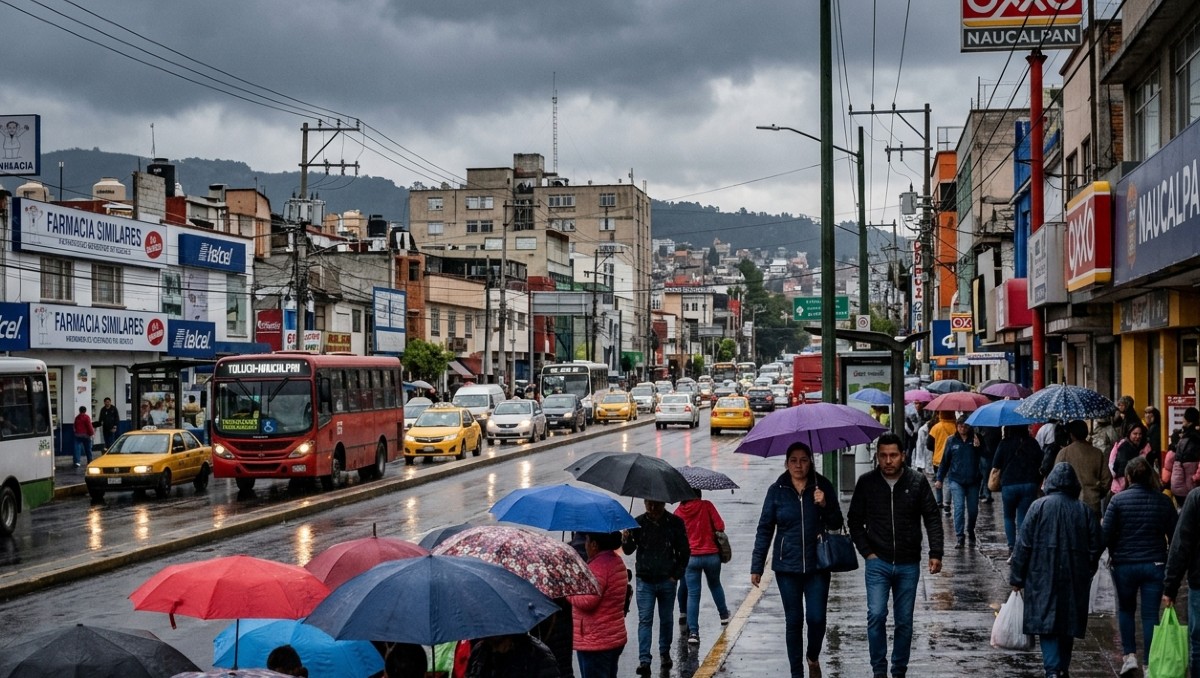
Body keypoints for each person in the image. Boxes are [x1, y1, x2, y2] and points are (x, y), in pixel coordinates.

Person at [848, 432, 944, 678]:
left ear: (903, 456)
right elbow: (854, 520)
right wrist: (866, 552)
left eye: (893, 455)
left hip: (908, 562)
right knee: (876, 615)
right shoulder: (867, 483)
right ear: (877, 457)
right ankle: (879, 670)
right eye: (883, 456)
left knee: (904, 621)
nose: (888, 461)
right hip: (877, 562)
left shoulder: (917, 481)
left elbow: (932, 516)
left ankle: (898, 670)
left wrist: (936, 552)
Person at [750, 442, 844, 678]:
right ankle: (796, 673)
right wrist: (757, 566)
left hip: (818, 565)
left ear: (811, 461)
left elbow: (836, 523)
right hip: (786, 566)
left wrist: (824, 504)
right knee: (794, 621)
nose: (799, 465)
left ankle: (813, 656)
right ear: (786, 462)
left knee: (816, 618)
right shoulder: (777, 490)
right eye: (794, 460)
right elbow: (764, 528)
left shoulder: (822, 486)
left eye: (804, 460)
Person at [1010, 462, 1104, 678]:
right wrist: (1087, 567)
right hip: (1074, 575)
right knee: (1067, 623)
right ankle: (1062, 667)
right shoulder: (1084, 511)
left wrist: (1017, 577)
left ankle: (1053, 670)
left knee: (1047, 623)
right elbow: (1096, 544)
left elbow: (1023, 545)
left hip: (1041, 575)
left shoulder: (1038, 507)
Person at [1102, 456, 1177, 675]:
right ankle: (1149, 663)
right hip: (1155, 564)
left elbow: (1105, 535)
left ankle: (1129, 656)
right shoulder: (1163, 501)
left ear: (1128, 476)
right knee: (1150, 614)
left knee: (1125, 609)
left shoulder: (1117, 501)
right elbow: (1175, 536)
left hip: (1124, 564)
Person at [622, 500, 689, 675]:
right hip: (645, 580)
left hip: (667, 579)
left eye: (656, 505)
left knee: (666, 619)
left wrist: (676, 575)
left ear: (663, 504)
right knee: (645, 620)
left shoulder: (675, 523)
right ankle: (644, 660)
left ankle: (664, 653)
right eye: (648, 504)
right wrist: (626, 538)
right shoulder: (637, 523)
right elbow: (628, 550)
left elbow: (684, 551)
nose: (652, 508)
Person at [674, 489, 730, 649]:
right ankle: (724, 615)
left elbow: (676, 536)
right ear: (699, 494)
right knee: (715, 584)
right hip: (712, 556)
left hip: (691, 558)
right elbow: (720, 526)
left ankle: (693, 633)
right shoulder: (707, 506)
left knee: (693, 594)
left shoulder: (679, 512)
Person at [569, 532, 627, 678]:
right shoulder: (615, 560)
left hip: (596, 641)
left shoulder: (598, 566)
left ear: (594, 545)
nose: (585, 544)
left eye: (587, 540)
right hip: (611, 636)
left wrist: (568, 592)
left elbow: (587, 601)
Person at [990, 425, 1043, 552]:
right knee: (1023, 515)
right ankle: (1022, 545)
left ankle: (1011, 546)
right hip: (1029, 483)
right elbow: (1041, 461)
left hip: (1009, 484)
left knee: (1008, 516)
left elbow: (996, 465)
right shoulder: (1033, 443)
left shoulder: (1004, 443)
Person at [935, 415, 984, 549]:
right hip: (956, 480)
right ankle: (960, 536)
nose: (963, 428)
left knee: (973, 510)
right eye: (960, 425)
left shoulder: (976, 439)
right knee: (959, 508)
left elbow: (985, 456)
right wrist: (939, 478)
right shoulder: (951, 441)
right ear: (957, 426)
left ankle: (970, 529)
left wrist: (978, 447)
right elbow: (945, 461)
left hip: (973, 480)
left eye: (965, 425)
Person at [1054, 419, 1112, 516]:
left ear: (1071, 434)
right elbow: (1107, 479)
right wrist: (1098, 492)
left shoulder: (1063, 453)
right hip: (1092, 502)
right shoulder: (1097, 453)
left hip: (1069, 503)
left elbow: (1055, 478)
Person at [465, 633, 560, 678]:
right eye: (490, 643)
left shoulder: (537, 654)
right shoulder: (481, 650)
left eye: (497, 644)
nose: (494, 649)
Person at [1162, 407, 1200, 505]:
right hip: (1191, 484)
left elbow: (1169, 462)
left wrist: (1165, 480)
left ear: (1188, 420)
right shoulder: (1194, 437)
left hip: (1181, 485)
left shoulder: (1183, 439)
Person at [927, 411, 957, 513]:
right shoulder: (956, 427)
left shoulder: (936, 427)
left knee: (938, 479)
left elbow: (929, 445)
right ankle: (947, 503)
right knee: (948, 481)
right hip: (951, 459)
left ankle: (939, 501)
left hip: (938, 459)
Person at [1109, 423, 1150, 495]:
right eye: (1135, 434)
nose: (1138, 436)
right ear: (1129, 434)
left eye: (1140, 434)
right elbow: (1121, 469)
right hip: (1121, 488)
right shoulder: (1124, 448)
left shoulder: (1143, 447)